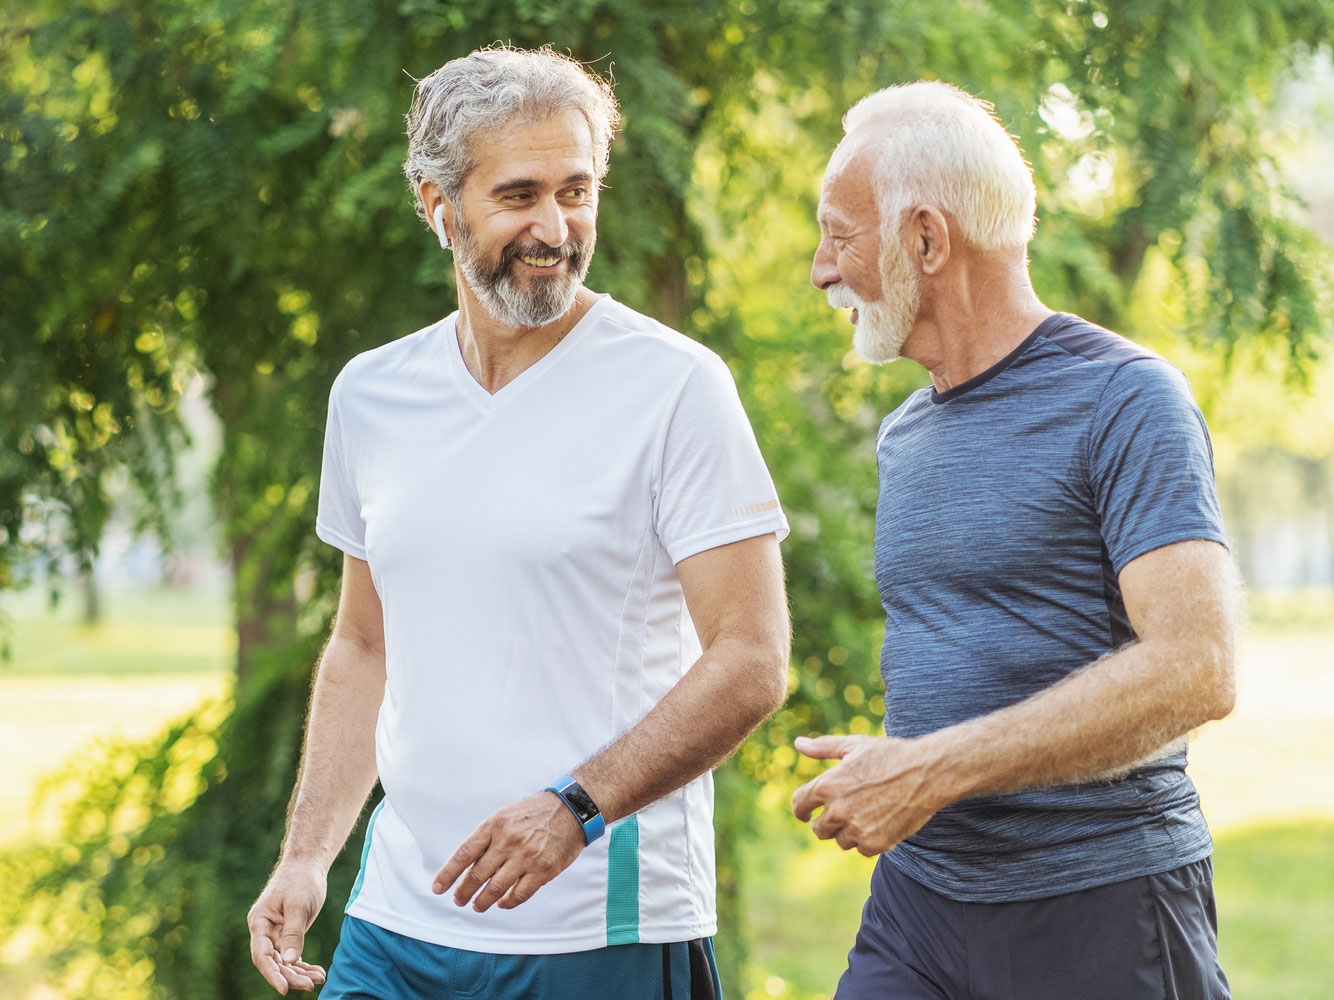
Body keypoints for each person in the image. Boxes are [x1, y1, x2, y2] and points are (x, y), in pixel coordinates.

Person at [246, 45, 790, 999]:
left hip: (599, 928)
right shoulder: (373, 394)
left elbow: (750, 658)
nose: (555, 227)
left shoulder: (675, 387)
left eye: (577, 192)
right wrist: (304, 857)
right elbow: (365, 646)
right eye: (520, 195)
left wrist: (576, 808)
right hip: (396, 923)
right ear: (436, 204)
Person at [793, 81, 1238, 999]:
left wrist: (931, 770)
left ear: (925, 238)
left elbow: (1199, 666)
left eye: (839, 235)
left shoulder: (1125, 399)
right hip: (922, 899)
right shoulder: (906, 433)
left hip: (1100, 901)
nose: (819, 267)